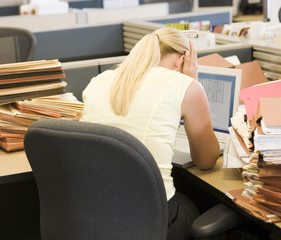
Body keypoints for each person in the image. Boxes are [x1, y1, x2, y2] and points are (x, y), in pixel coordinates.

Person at [81, 27, 220, 239]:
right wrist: (191, 81)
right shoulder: (184, 85)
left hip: (97, 213)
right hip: (154, 219)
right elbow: (206, 160)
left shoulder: (97, 82)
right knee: (200, 201)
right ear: (182, 60)